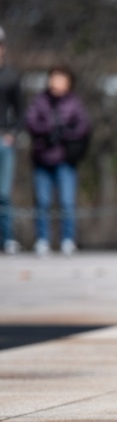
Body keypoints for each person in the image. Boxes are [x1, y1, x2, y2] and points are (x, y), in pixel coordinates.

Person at [25, 63, 90, 257]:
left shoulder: (75, 103)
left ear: (69, 82)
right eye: (53, 77)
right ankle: (42, 240)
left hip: (65, 160)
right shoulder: (40, 101)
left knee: (67, 202)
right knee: (42, 202)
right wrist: (47, 132)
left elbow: (83, 126)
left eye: (61, 78)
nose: (56, 82)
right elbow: (30, 121)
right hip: (42, 158)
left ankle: (67, 240)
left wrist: (65, 133)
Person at [0, 26, 22, 255]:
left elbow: (20, 110)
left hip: (3, 140)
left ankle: (7, 239)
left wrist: (12, 134)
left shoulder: (11, 77)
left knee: (3, 194)